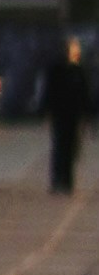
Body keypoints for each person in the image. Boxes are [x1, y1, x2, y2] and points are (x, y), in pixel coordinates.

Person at [48, 37, 90, 199]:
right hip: (60, 115)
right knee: (60, 147)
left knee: (71, 148)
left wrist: (87, 114)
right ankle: (57, 180)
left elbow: (85, 95)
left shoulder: (78, 71)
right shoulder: (56, 70)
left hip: (74, 116)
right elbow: (50, 92)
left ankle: (67, 181)